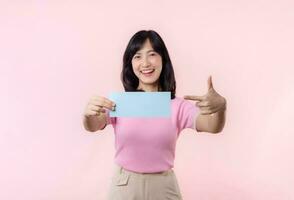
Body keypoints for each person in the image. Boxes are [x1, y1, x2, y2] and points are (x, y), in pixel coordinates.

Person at [83, 30, 227, 200]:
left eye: (152, 54)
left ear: (163, 59)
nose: (145, 63)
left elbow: (212, 126)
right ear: (130, 63)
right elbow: (93, 125)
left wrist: (220, 108)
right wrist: (88, 115)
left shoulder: (177, 106)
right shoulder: (122, 103)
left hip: (164, 186)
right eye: (137, 56)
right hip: (124, 185)